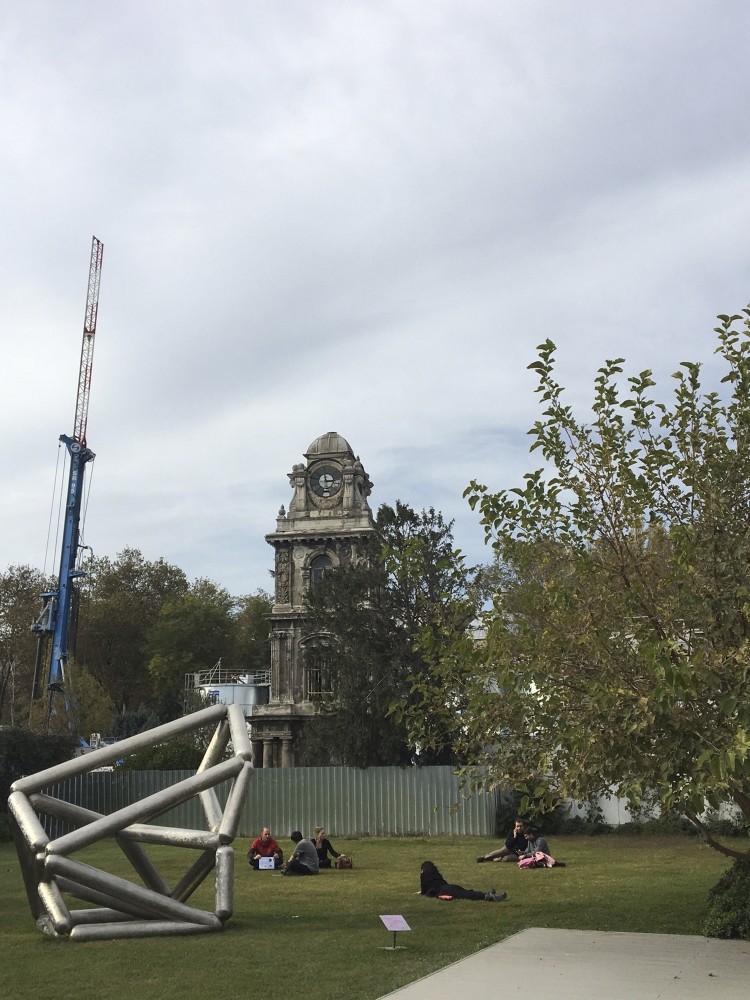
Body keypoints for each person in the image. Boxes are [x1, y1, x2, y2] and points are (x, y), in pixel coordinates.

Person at [419, 861, 507, 902]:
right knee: (466, 892)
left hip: (443, 890)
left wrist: (422, 892)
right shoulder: (436, 873)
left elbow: (424, 890)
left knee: (466, 895)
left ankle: (487, 896)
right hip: (450, 886)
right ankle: (487, 894)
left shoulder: (423, 875)